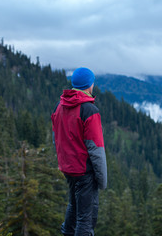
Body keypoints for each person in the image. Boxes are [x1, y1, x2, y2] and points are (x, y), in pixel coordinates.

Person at [51, 67, 107, 236]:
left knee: (74, 206)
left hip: (68, 169)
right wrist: (102, 180)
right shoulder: (89, 110)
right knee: (86, 219)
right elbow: (96, 149)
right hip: (85, 171)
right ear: (89, 85)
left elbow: (57, 138)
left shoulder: (59, 106)